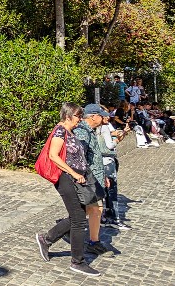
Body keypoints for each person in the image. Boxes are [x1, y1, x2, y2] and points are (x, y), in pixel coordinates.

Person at [35, 103, 102, 277]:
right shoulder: (60, 131)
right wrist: (73, 172)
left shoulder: (70, 132)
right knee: (79, 219)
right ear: (68, 116)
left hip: (77, 178)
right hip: (66, 178)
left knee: (77, 216)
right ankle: (77, 261)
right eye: (78, 116)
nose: (80, 120)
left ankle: (46, 239)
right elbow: (53, 155)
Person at [73, 103, 112, 255]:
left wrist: (103, 176)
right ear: (93, 117)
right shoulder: (82, 132)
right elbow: (81, 158)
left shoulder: (89, 130)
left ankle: (92, 240)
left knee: (93, 210)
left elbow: (95, 155)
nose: (103, 118)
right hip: (88, 179)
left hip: (94, 177)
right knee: (94, 210)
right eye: (101, 115)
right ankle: (92, 241)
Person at [98, 113, 131, 230]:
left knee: (104, 191)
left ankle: (103, 216)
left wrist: (122, 133)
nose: (107, 117)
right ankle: (113, 218)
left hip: (100, 162)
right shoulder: (104, 127)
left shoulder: (97, 128)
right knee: (111, 189)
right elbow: (110, 145)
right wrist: (118, 139)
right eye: (104, 115)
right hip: (107, 161)